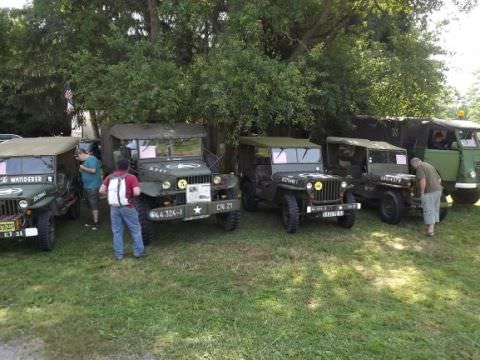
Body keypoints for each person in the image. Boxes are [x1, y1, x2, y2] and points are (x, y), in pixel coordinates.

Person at [99, 159, 145, 260]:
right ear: (128, 167)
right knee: (135, 229)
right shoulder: (131, 177)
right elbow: (137, 192)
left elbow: (101, 190)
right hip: (128, 207)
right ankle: (138, 252)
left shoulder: (110, 177)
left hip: (114, 208)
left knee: (117, 231)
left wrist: (110, 195)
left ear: (117, 166)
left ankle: (119, 255)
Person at [410, 157, 443, 237]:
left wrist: (422, 192)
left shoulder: (420, 167)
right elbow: (439, 179)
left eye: (413, 166)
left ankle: (430, 231)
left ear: (415, 163)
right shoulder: (430, 165)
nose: (414, 168)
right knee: (434, 209)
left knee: (428, 210)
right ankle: (431, 228)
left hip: (429, 192)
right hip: (438, 190)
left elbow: (422, 180)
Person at [78, 148, 102, 230]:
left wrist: (82, 168)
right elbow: (84, 171)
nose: (78, 159)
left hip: (93, 186)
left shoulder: (92, 159)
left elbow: (93, 170)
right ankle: (94, 220)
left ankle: (96, 223)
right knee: (90, 204)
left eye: (78, 156)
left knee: (93, 204)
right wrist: (82, 169)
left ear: (81, 154)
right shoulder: (85, 161)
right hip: (87, 186)